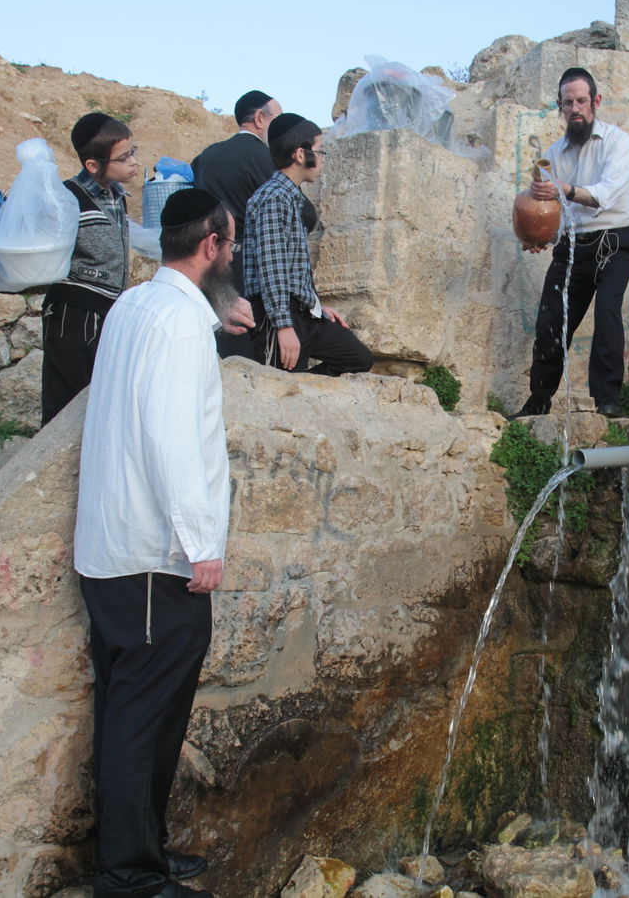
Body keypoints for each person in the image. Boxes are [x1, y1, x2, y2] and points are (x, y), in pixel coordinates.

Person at [74, 187, 245, 898]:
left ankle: (140, 846)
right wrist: (202, 543)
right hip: (155, 555)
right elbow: (173, 439)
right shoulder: (179, 323)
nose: (232, 253)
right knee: (142, 719)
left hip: (119, 547)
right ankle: (127, 877)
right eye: (230, 242)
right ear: (211, 242)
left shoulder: (134, 306)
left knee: (138, 709)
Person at [513, 67, 629, 419]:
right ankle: (538, 401)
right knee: (550, 320)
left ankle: (607, 401)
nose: (576, 109)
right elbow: (554, 208)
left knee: (607, 314)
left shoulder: (619, 142)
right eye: (568, 103)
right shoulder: (554, 153)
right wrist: (541, 234)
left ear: (595, 102)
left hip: (615, 240)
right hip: (572, 243)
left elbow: (606, 196)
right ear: (560, 107)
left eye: (581, 101)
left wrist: (562, 190)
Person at [243, 113, 373, 375]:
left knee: (357, 358)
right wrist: (283, 325)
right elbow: (272, 266)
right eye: (320, 151)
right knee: (279, 387)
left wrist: (315, 306)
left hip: (302, 312)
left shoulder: (291, 197)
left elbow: (291, 266)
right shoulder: (274, 197)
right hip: (277, 314)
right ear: (300, 155)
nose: (322, 159)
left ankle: (304, 389)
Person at [41, 113, 140, 425]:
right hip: (74, 313)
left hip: (106, 310)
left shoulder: (117, 197)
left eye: (133, 152)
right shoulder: (68, 199)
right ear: (93, 165)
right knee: (67, 408)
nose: (133, 162)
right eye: (123, 158)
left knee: (100, 407)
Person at [191, 90, 283, 360]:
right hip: (244, 262)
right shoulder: (263, 157)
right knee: (242, 347)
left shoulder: (206, 156)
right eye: (278, 118)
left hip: (206, 260)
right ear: (259, 117)